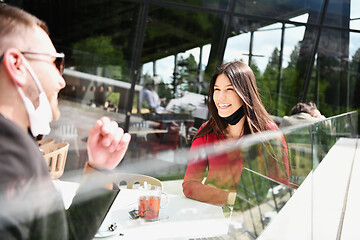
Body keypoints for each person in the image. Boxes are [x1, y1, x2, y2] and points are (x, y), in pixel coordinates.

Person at [0, 4, 131, 239]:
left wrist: (99, 170)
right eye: (55, 62)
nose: (62, 81)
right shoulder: (12, 156)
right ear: (17, 65)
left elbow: (63, 234)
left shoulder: (18, 148)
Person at [182, 61, 289, 206]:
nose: (220, 97)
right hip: (213, 213)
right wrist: (232, 198)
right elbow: (190, 185)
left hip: (254, 215)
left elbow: (281, 186)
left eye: (229, 89)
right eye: (217, 89)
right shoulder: (206, 132)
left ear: (245, 93)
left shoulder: (268, 133)